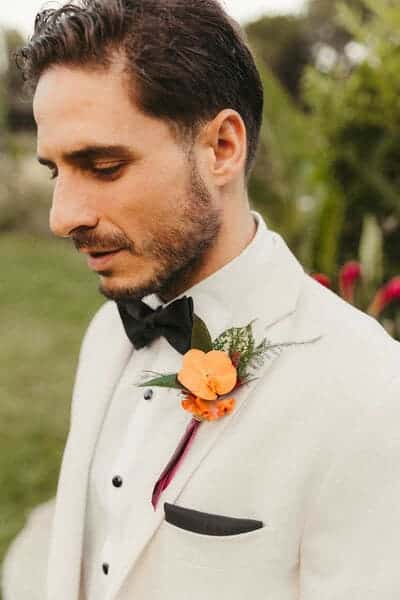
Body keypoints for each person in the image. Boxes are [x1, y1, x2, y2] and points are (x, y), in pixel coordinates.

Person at [9, 1, 400, 599]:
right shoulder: (108, 330)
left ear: (221, 147)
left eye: (104, 166)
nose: (62, 218)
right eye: (56, 171)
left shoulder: (370, 390)